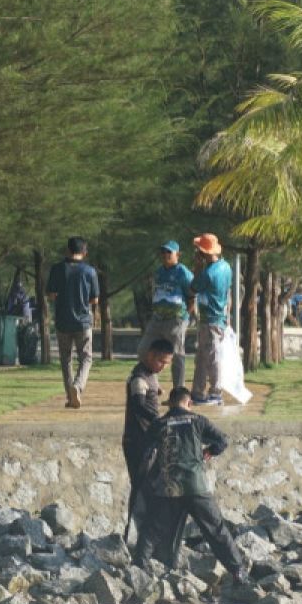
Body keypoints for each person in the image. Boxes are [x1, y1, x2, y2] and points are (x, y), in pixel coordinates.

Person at [134, 387, 248, 582]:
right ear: (189, 403)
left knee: (153, 528)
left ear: (170, 404)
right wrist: (209, 451)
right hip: (196, 486)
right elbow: (222, 441)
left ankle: (139, 567)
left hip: (169, 487)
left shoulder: (160, 423)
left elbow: (145, 452)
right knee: (216, 530)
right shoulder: (198, 421)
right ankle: (237, 570)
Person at [123, 339, 173, 540]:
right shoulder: (139, 377)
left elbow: (152, 392)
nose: (164, 366)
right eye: (161, 361)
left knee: (149, 486)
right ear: (150, 355)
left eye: (167, 363)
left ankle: (146, 531)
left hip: (148, 440)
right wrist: (159, 419)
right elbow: (138, 405)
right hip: (137, 441)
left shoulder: (151, 375)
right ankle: (133, 533)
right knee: (139, 486)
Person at [46, 236, 100, 409]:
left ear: (68, 250)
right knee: (86, 358)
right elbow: (95, 299)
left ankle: (70, 396)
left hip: (63, 321)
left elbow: (51, 295)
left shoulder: (57, 269)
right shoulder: (90, 271)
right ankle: (78, 386)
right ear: (84, 252)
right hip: (83, 322)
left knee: (65, 359)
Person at [138, 240, 194, 390]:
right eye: (163, 252)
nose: (165, 255)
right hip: (157, 319)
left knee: (176, 356)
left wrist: (185, 317)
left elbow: (192, 296)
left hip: (175, 320)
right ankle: (153, 385)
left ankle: (178, 392)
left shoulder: (182, 272)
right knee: (144, 350)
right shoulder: (159, 272)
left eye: (169, 252)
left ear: (177, 254)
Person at [189, 233, 232, 405]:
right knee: (205, 355)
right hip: (219, 317)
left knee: (210, 356)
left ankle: (215, 392)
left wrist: (197, 268)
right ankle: (198, 391)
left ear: (204, 253)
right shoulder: (226, 267)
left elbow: (193, 288)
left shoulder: (208, 273)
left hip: (210, 319)